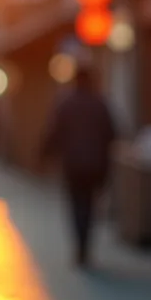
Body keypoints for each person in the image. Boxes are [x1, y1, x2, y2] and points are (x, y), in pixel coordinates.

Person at [41, 66, 117, 268]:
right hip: (96, 165)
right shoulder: (100, 104)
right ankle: (87, 245)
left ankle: (80, 246)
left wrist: (44, 155)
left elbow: (53, 132)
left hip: (72, 164)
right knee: (90, 204)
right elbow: (112, 133)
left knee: (76, 204)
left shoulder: (65, 104)